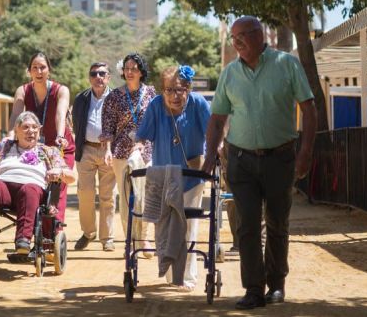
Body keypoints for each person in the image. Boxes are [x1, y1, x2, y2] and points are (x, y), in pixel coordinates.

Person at [201, 16, 317, 310]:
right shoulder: (229, 73)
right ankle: (254, 288)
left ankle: (276, 285)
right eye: (234, 37)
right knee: (247, 225)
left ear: (259, 35)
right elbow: (218, 118)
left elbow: (309, 108)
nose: (237, 42)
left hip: (280, 158)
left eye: (242, 35)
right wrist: (210, 153)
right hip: (241, 160)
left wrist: (305, 152)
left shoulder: (286, 64)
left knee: (277, 222)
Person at [137, 65, 210, 290]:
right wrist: (136, 151)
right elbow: (142, 137)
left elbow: (213, 132)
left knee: (186, 227)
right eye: (168, 90)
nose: (174, 96)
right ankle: (171, 273)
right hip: (164, 177)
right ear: (162, 90)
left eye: (179, 90)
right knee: (166, 227)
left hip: (191, 177)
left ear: (188, 89)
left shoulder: (198, 104)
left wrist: (216, 154)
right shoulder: (156, 105)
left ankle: (186, 276)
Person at [0, 111, 76, 256]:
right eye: (26, 127)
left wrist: (59, 172)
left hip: (32, 191)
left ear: (39, 130)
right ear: (16, 130)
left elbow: (71, 177)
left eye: (35, 127)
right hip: (3, 188)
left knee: (30, 189)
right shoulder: (5, 147)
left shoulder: (48, 151)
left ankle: (23, 240)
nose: (31, 131)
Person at [9, 52, 75, 228]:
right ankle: (35, 226)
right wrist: (10, 135)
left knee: (57, 184)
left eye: (43, 67)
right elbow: (15, 115)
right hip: (34, 146)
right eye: (35, 68)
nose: (39, 71)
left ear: (49, 70)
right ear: (29, 71)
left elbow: (60, 114)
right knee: (35, 182)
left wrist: (60, 136)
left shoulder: (61, 90)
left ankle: (54, 229)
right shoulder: (23, 91)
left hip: (59, 145)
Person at [100, 53, 156, 256]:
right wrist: (107, 150)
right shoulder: (114, 97)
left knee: (145, 196)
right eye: (127, 68)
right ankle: (130, 241)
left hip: (146, 152)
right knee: (126, 199)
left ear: (141, 72)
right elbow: (107, 127)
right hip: (121, 153)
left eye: (134, 68)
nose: (130, 72)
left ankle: (144, 238)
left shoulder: (151, 93)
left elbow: (156, 122)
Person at [71, 61, 117, 251]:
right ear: (89, 78)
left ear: (108, 77)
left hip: (109, 151)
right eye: (94, 74)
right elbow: (76, 123)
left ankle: (107, 238)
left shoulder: (116, 98)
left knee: (108, 196)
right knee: (85, 194)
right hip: (87, 150)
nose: (98, 77)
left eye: (102, 73)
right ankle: (88, 233)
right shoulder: (81, 98)